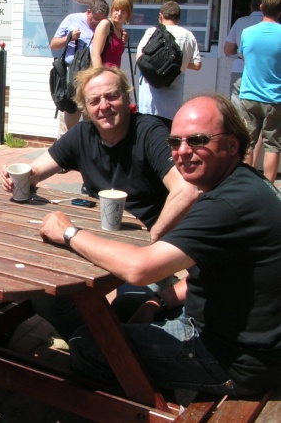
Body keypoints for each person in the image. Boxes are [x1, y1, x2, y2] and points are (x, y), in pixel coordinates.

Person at [40, 94, 281, 398]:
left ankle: (145, 405)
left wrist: (69, 232)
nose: (183, 151)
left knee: (86, 344)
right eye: (175, 142)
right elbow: (216, 277)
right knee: (127, 306)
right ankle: (151, 383)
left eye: (198, 140)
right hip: (242, 337)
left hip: (233, 360)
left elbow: (139, 269)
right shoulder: (243, 182)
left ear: (232, 144)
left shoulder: (226, 204)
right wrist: (159, 302)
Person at [1, 66, 199, 340]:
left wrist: (153, 238)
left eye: (112, 96)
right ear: (85, 108)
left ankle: (109, 348)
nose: (104, 106)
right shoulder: (83, 134)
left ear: (126, 98)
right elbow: (37, 170)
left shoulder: (148, 132)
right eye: (94, 100)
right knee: (47, 299)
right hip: (96, 239)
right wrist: (19, 176)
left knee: (129, 305)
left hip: (143, 252)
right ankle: (93, 345)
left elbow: (187, 190)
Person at [237, 0, 281, 183]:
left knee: (248, 142)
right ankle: (269, 188)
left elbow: (244, 57)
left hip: (249, 94)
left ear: (261, 7)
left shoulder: (247, 33)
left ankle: (246, 184)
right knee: (273, 145)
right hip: (275, 97)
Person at [136, 1, 202, 128]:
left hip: (150, 96)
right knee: (168, 129)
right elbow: (197, 65)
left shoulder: (152, 32)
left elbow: (139, 57)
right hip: (174, 97)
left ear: (160, 15)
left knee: (148, 128)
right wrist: (177, 64)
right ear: (178, 18)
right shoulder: (188, 35)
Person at [49, 0, 110, 137]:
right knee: (69, 123)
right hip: (73, 78)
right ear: (88, 12)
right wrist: (69, 38)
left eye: (101, 21)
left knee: (92, 123)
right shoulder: (72, 20)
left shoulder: (105, 26)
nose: (97, 24)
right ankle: (64, 149)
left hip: (92, 78)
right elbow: (53, 44)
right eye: (95, 19)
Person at [225, 0, 264, 168]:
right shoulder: (275, 26)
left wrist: (241, 52)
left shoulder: (241, 22)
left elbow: (227, 49)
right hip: (265, 74)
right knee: (262, 124)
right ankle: (255, 166)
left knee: (241, 120)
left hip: (240, 70)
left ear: (251, 6)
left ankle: (241, 167)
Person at [91, 0, 132, 69]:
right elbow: (95, 55)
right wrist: (101, 74)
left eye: (123, 11)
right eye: (116, 9)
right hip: (103, 73)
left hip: (115, 73)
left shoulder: (120, 31)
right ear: (112, 10)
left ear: (128, 14)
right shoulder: (105, 24)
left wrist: (123, 42)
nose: (119, 14)